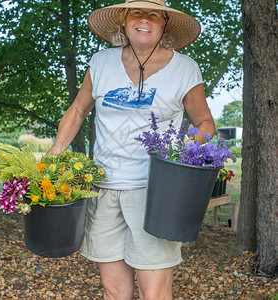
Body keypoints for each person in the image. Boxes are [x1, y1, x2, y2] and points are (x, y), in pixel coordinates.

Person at [47, 0, 215, 299]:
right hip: (102, 187)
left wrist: (190, 151)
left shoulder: (185, 68)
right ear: (124, 20)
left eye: (154, 14)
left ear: (165, 23)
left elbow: (203, 122)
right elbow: (77, 110)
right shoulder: (100, 62)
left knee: (154, 293)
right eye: (137, 12)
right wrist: (55, 151)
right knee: (114, 291)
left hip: (155, 195)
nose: (145, 19)